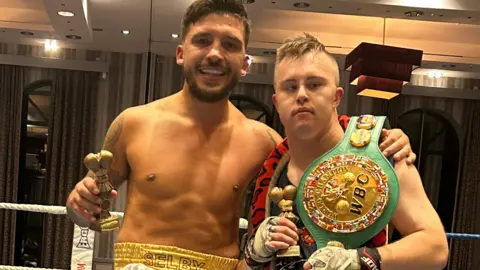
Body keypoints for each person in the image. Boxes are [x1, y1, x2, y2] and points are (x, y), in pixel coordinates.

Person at [65, 1, 416, 269]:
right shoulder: (132, 123)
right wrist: (79, 206)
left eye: (230, 45)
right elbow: (93, 212)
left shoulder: (265, 141)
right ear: (181, 52)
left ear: (245, 62)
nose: (215, 53)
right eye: (202, 41)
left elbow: (325, 149)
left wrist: (385, 143)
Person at [243, 33, 449, 270]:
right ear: (277, 103)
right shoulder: (270, 169)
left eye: (314, 84)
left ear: (336, 97)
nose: (301, 95)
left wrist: (362, 260)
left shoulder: (382, 151)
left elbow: (435, 247)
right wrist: (252, 253)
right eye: (290, 87)